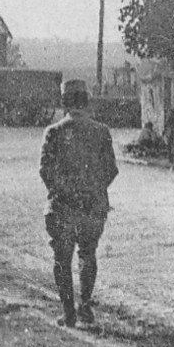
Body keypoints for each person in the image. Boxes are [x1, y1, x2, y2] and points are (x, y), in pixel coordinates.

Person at [39, 79, 117, 327]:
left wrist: (64, 192)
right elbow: (111, 170)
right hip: (92, 207)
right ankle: (85, 306)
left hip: (62, 207)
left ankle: (68, 312)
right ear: (86, 100)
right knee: (88, 254)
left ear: (64, 102)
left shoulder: (54, 132)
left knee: (62, 259)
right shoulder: (101, 131)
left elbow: (45, 171)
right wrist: (92, 191)